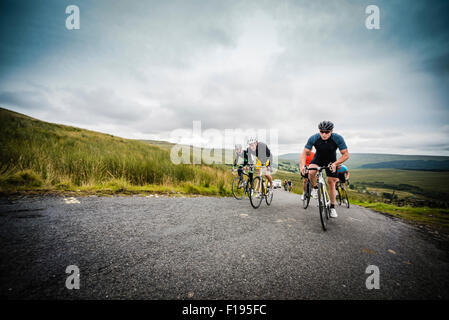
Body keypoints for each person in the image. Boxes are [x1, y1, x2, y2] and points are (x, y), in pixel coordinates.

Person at [299, 121, 349, 218]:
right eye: (322, 132)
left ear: (332, 131)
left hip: (332, 160)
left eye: (327, 132)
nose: (324, 134)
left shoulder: (337, 138)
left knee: (331, 182)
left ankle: (332, 208)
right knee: (311, 172)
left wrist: (335, 164)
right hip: (318, 159)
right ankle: (315, 188)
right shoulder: (314, 138)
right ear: (319, 131)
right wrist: (302, 167)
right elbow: (304, 152)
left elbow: (346, 155)